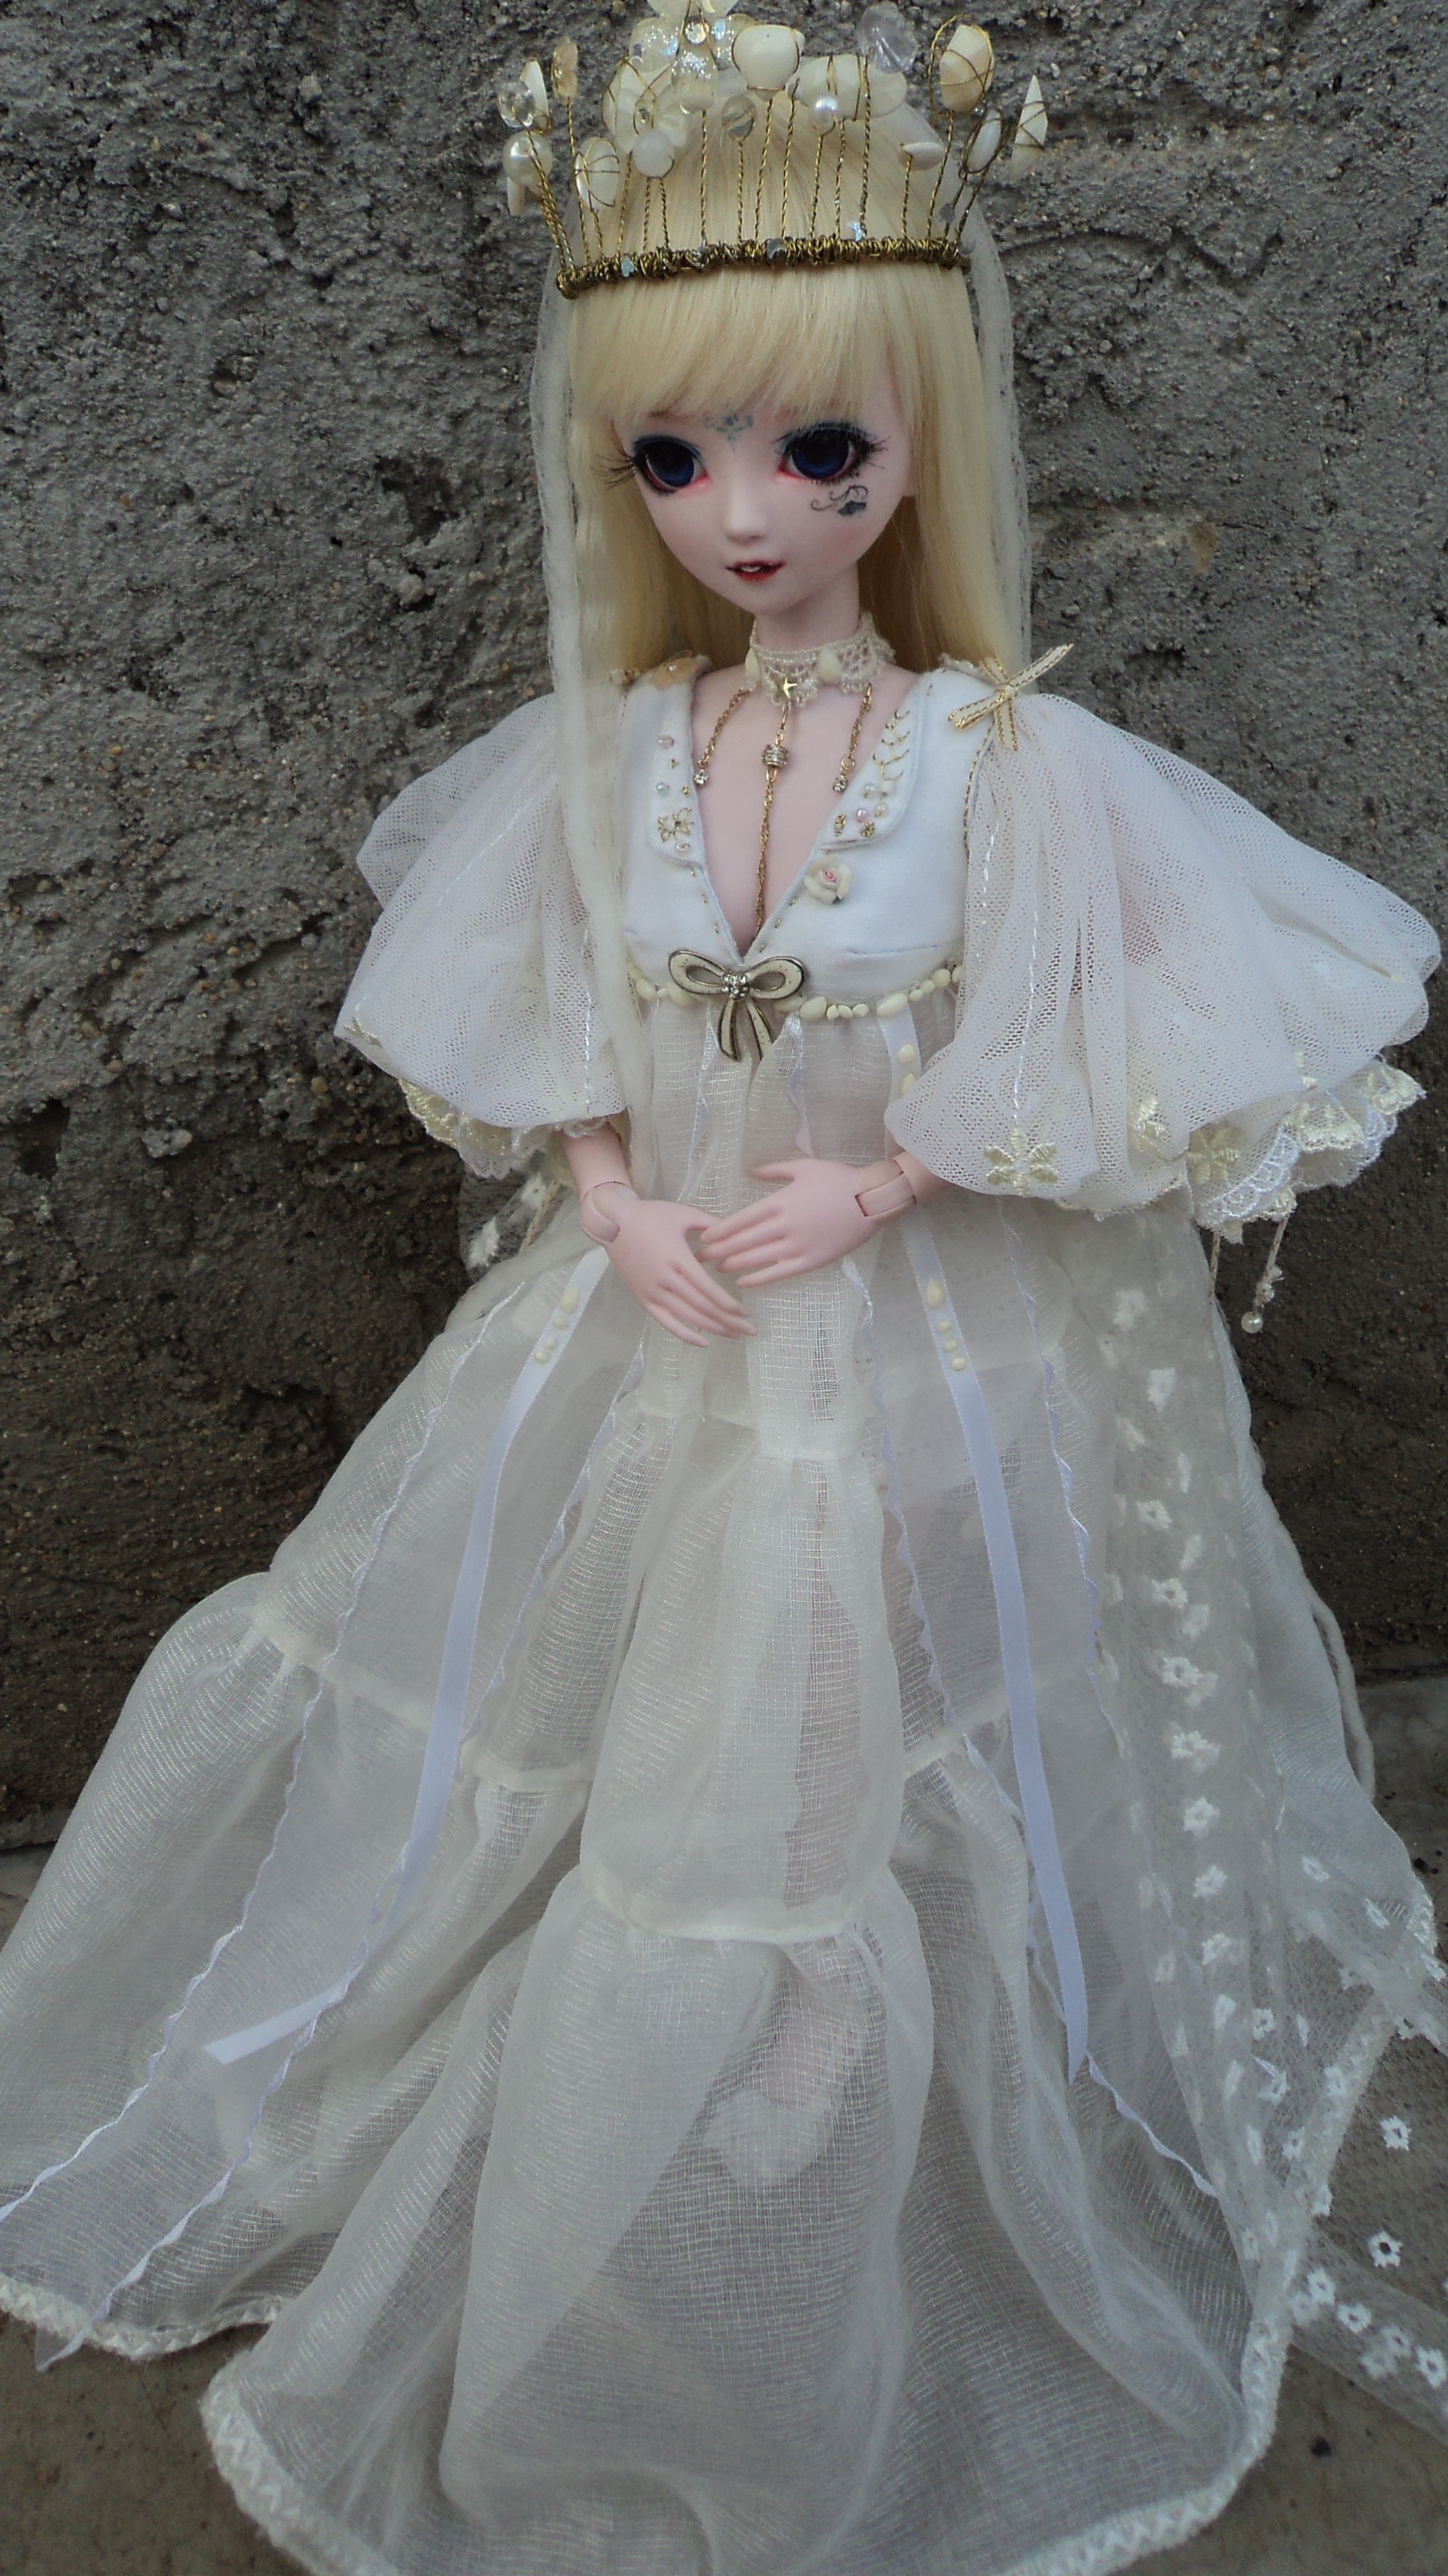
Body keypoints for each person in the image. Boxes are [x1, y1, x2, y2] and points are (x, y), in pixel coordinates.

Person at [1, 17, 1442, 2574]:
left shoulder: (1004, 756)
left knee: (848, 1694)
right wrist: (615, 1193)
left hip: (906, 1338)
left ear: (917, 448)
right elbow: (543, 1010)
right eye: (675, 460)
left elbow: (1107, 1039)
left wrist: (880, 1184)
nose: (745, 510)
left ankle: (794, 2059)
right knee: (585, 1675)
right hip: (646, 1310)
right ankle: (609, 2051)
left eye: (816, 451)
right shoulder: (620, 745)